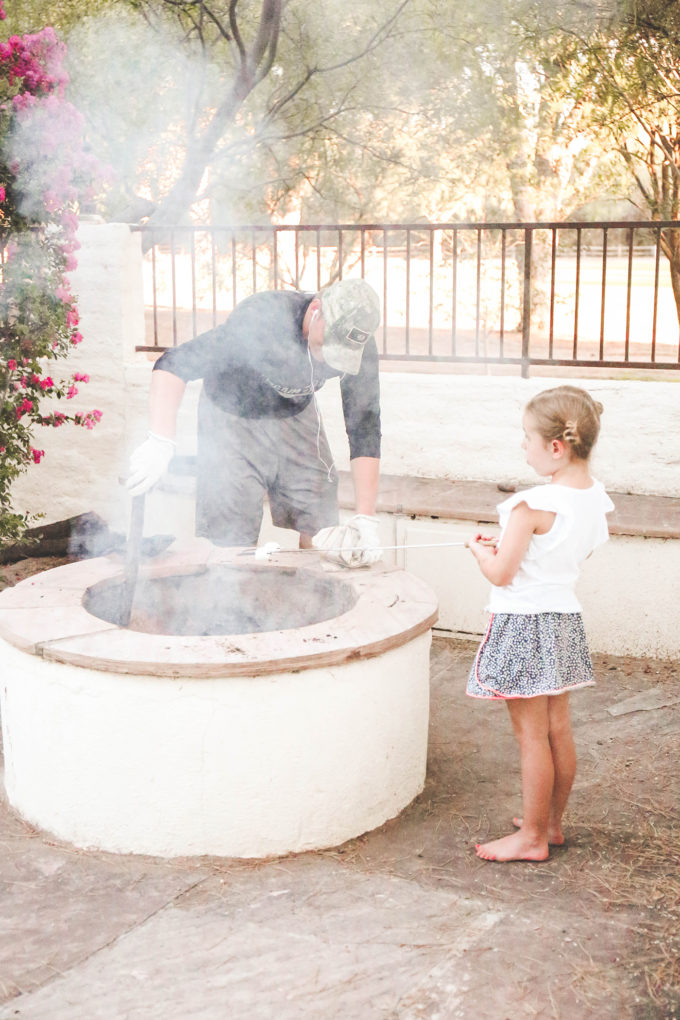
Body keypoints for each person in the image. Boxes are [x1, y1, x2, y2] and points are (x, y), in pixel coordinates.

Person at [127, 278, 383, 567]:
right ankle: (233, 601)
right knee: (233, 535)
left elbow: (364, 424)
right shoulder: (262, 318)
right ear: (316, 310)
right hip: (232, 416)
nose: (329, 359)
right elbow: (174, 363)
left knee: (319, 521)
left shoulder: (356, 341)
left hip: (296, 414)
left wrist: (366, 518)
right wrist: (161, 440)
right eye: (327, 346)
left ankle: (311, 598)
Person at [466, 385, 614, 862]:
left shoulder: (528, 506)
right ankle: (549, 823)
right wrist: (516, 544)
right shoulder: (595, 499)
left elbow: (501, 574)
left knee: (531, 735)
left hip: (525, 623)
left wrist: (480, 551)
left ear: (556, 447)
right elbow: (573, 549)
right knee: (557, 729)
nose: (523, 447)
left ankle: (530, 838)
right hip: (563, 621)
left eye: (527, 438)